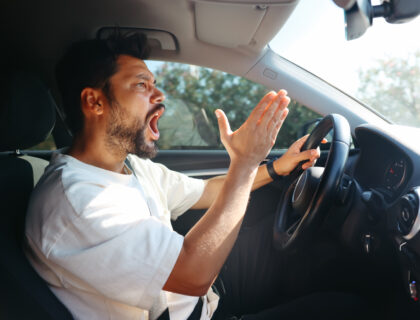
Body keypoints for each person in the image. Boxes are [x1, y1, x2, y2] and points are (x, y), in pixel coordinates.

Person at [24, 32, 322, 320]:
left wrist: (276, 167)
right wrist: (243, 163)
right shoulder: (75, 203)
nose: (159, 94)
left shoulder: (131, 166)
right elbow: (193, 276)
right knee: (337, 309)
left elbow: (206, 191)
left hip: (203, 299)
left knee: (309, 253)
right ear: (94, 102)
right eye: (142, 85)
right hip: (192, 298)